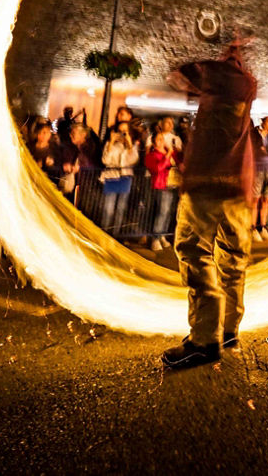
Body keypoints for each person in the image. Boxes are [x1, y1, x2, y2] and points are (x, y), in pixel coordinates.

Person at [161, 42, 259, 369]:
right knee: (233, 256)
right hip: (238, 185)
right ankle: (230, 329)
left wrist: (206, 68)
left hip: (206, 181)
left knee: (193, 249)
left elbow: (176, 74)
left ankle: (204, 339)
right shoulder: (248, 85)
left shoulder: (215, 74)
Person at [144, 117, 183, 251]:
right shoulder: (152, 156)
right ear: (154, 143)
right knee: (162, 211)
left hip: (172, 184)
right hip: (161, 185)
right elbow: (157, 168)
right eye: (159, 140)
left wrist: (172, 155)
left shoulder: (169, 153)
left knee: (168, 212)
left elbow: (178, 163)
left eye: (163, 139)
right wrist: (167, 157)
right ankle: (155, 238)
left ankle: (162, 235)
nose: (162, 141)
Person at [98, 121, 139, 235]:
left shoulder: (132, 145)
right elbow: (105, 161)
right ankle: (104, 233)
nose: (122, 134)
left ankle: (115, 235)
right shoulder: (110, 144)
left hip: (125, 178)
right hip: (112, 177)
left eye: (125, 131)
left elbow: (133, 160)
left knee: (121, 209)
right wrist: (111, 142)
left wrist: (129, 144)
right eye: (119, 131)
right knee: (108, 209)